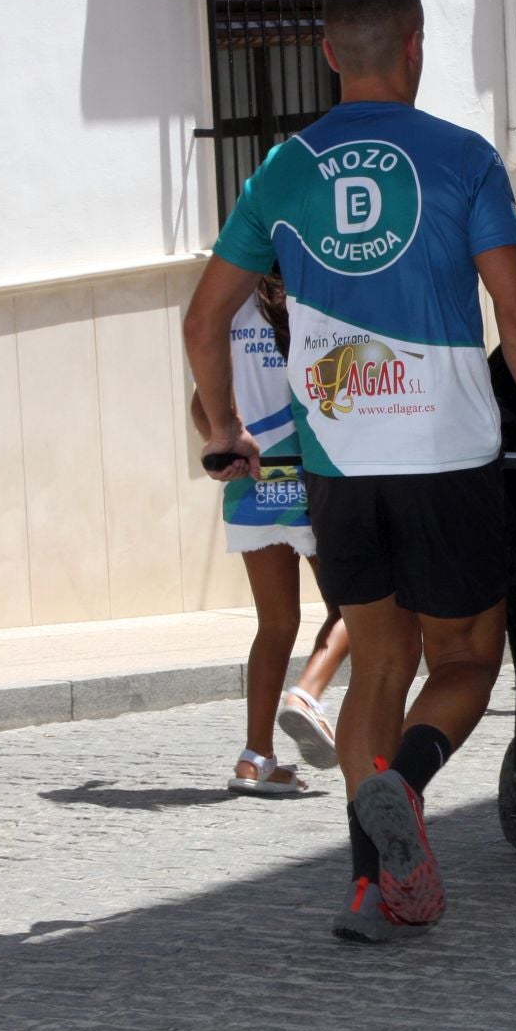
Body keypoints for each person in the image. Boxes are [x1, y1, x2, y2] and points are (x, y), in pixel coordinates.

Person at [182, 0, 516, 942]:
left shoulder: (279, 171)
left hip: (338, 461)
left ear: (326, 53)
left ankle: (370, 886)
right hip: (445, 453)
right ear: (416, 48)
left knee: (378, 664)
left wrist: (225, 428)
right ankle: (404, 784)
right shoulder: (463, 159)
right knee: (469, 657)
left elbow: (203, 319)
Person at [189, 274, 349, 795]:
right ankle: (308, 693)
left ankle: (255, 759)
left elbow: (201, 404)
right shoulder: (318, 298)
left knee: (275, 622)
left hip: (251, 475)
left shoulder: (227, 311)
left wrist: (222, 439)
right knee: (356, 604)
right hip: (314, 471)